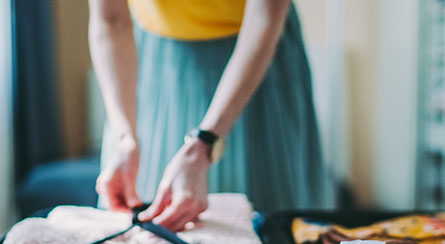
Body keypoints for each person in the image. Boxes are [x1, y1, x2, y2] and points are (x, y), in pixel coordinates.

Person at [89, 0, 328, 231]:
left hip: (257, 55)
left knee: (268, 228)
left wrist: (205, 143)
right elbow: (111, 19)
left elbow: (264, 16)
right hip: (154, 61)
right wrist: (125, 136)